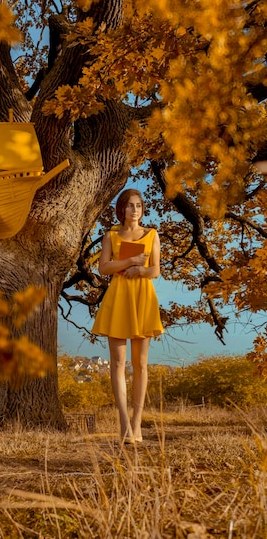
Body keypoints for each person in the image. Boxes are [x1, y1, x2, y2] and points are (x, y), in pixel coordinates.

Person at [92, 189, 164, 444]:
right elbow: (103, 267)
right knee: (117, 364)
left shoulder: (152, 235)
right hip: (119, 297)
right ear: (121, 209)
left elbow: (155, 270)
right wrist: (131, 260)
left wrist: (139, 270)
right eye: (130, 206)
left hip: (143, 297)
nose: (135, 210)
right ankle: (123, 422)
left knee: (141, 365)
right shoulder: (111, 235)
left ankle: (137, 424)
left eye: (139, 206)